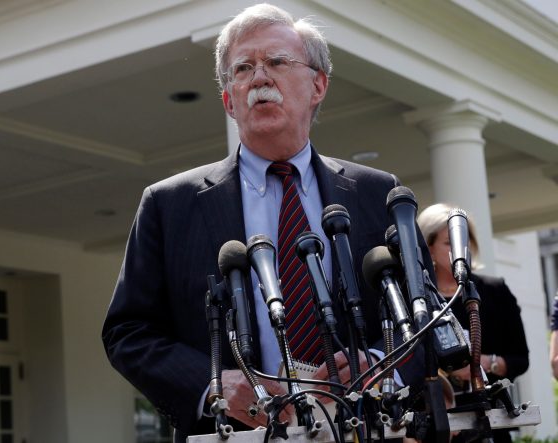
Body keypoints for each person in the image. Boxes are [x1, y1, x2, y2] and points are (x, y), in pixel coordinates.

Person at [102, 4, 431, 441]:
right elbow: (129, 332)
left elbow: (427, 316)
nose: (259, 78)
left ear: (317, 85)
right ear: (228, 101)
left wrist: (380, 360)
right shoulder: (168, 205)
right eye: (243, 69)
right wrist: (213, 383)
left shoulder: (377, 194)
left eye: (277, 62)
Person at [417, 203, 529, 443]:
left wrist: (487, 364)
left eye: (465, 240)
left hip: (491, 424)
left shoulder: (494, 290)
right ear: (429, 247)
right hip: (436, 427)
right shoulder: (415, 299)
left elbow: (521, 358)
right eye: (449, 243)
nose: (459, 249)